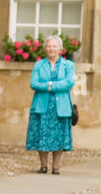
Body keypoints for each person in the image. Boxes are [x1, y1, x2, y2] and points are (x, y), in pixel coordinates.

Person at [26, 36, 75, 174]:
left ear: (60, 49)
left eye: (54, 46)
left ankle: (56, 167)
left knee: (59, 136)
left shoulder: (69, 65)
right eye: (49, 46)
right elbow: (34, 83)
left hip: (61, 106)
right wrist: (53, 85)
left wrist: (49, 85)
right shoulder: (39, 65)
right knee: (42, 134)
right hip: (42, 105)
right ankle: (43, 166)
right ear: (45, 48)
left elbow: (69, 83)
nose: (51, 49)